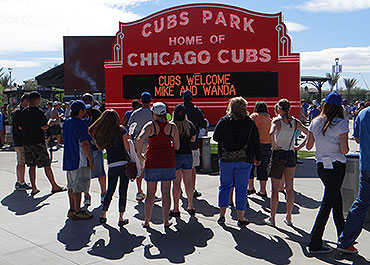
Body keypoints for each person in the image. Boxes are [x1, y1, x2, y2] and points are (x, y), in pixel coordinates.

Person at [306, 92, 349, 253]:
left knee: (336, 201)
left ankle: (344, 238)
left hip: (322, 166)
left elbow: (309, 146)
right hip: (337, 166)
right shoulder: (342, 124)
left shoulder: (315, 121)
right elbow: (344, 150)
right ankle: (315, 241)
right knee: (327, 204)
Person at [213, 97, 261, 227]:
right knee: (241, 188)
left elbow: (216, 137)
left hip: (226, 158)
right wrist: (258, 157)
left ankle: (222, 215)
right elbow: (256, 141)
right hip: (244, 159)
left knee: (224, 186)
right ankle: (241, 217)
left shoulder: (224, 121)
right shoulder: (249, 123)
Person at [264, 98, 308, 227]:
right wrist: (299, 147)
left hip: (278, 154)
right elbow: (308, 133)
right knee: (289, 188)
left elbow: (271, 133)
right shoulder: (295, 121)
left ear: (279, 109)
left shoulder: (277, 121)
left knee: (275, 189)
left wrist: (273, 146)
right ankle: (288, 217)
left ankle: (272, 217)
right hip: (290, 153)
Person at [136, 102, 180, 228]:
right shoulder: (172, 127)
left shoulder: (150, 125)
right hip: (168, 162)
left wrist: (139, 153)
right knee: (166, 193)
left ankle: (147, 221)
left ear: (154, 113)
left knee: (150, 194)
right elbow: (177, 146)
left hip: (152, 162)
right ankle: (166, 221)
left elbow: (139, 139)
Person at [337, 99, 370, 254]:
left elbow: (357, 138)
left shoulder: (362, 114)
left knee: (361, 203)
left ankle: (345, 241)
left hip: (366, 166)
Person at [89, 109, 131, 227]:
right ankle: (121, 217)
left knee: (110, 190)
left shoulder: (105, 133)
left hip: (112, 164)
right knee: (123, 191)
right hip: (123, 163)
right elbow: (127, 148)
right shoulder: (121, 130)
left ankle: (103, 214)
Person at [20, 91, 65, 196]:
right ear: (37, 100)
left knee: (31, 165)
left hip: (27, 141)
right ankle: (54, 186)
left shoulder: (24, 112)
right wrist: (49, 123)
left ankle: (34, 187)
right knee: (46, 164)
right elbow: (43, 127)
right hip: (38, 141)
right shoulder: (38, 112)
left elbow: (21, 127)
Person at [63, 100, 94, 220]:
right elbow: (85, 142)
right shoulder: (80, 124)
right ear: (81, 111)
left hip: (69, 159)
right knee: (78, 187)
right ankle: (78, 210)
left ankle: (72, 209)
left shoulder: (67, 123)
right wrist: (90, 160)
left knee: (70, 186)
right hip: (79, 161)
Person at [128, 92, 159, 202]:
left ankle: (139, 191)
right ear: (150, 100)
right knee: (150, 168)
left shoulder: (135, 113)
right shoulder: (153, 113)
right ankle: (151, 193)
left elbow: (130, 129)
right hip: (151, 143)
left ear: (141, 100)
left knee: (139, 169)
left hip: (138, 143)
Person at [170, 104, 197, 218]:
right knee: (188, 182)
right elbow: (193, 139)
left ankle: (176, 208)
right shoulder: (189, 125)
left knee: (176, 183)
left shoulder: (172, 126)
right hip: (187, 155)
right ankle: (191, 206)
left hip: (175, 156)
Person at [82, 93, 107, 207]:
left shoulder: (80, 114)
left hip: (83, 147)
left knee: (85, 174)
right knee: (101, 172)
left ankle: (86, 196)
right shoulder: (97, 113)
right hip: (96, 146)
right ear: (92, 101)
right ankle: (103, 194)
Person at [183, 90, 207, 198]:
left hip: (180, 144)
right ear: (191, 98)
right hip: (193, 144)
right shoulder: (196, 110)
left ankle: (179, 190)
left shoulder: (179, 109)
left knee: (179, 169)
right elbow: (203, 124)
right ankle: (192, 189)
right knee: (192, 168)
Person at [248, 101, 272, 198]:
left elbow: (247, 127)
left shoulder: (254, 116)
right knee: (263, 168)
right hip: (267, 144)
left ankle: (251, 187)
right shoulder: (269, 119)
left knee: (251, 167)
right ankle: (263, 190)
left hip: (255, 145)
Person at [12, 93, 32, 190]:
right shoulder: (19, 112)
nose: (29, 104)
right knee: (22, 162)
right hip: (20, 140)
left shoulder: (17, 110)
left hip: (18, 140)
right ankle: (21, 182)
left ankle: (19, 180)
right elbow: (20, 127)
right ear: (24, 100)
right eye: (28, 101)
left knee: (20, 161)